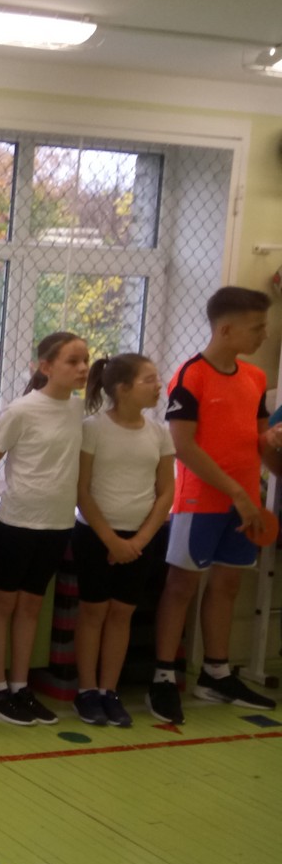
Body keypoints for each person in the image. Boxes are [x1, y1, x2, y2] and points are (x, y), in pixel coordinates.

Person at [148, 286, 282, 723]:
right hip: (199, 500)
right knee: (181, 587)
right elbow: (184, 447)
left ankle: (216, 674)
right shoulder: (191, 376)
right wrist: (237, 492)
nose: (264, 335)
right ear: (226, 330)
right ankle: (163, 677)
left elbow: (259, 441)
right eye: (257, 328)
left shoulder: (255, 378)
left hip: (245, 504)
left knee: (227, 585)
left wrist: (272, 443)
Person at [0, 331, 90, 728]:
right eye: (72, 361)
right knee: (3, 603)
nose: (82, 368)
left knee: (31, 605)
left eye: (85, 360)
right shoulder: (21, 410)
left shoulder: (79, 410)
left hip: (58, 523)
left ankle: (20, 685)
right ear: (46, 366)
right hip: (18, 522)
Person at [73, 354, 174, 728]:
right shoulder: (93, 428)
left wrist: (140, 540)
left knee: (121, 613)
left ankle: (109, 691)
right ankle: (87, 691)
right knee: (94, 612)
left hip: (140, 540)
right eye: (150, 379)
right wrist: (111, 539)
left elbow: (166, 492)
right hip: (95, 535)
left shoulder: (159, 433)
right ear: (122, 388)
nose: (158, 385)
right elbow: (82, 489)